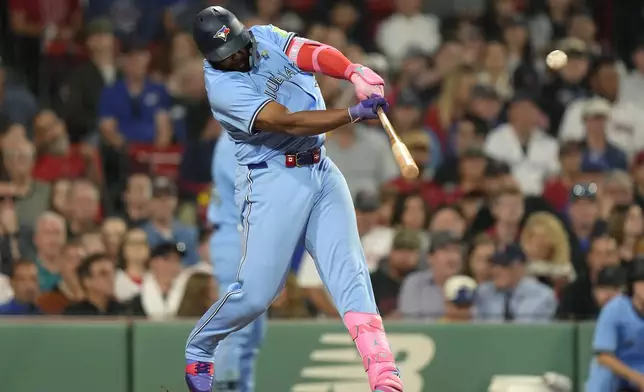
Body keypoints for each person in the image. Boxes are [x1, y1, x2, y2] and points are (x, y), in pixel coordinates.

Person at [185, 7, 401, 392]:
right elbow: (288, 121)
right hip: (272, 179)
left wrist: (353, 71)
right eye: (224, 56)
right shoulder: (222, 87)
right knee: (256, 295)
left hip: (320, 168)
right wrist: (352, 113)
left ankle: (384, 376)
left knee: (350, 272)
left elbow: (311, 53)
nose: (234, 58)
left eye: (236, 48)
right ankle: (201, 346)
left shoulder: (263, 36)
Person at [586, 256, 644, 392]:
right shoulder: (615, 308)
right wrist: (637, 378)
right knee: (603, 373)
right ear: (632, 285)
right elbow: (604, 356)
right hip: (618, 373)